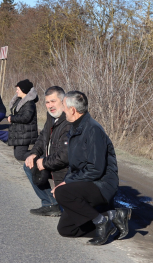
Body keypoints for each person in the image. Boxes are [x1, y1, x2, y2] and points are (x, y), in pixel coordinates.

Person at [52, 91, 131, 246]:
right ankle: (112, 217)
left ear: (73, 110)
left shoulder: (93, 130)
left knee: (62, 192)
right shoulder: (75, 129)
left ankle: (101, 222)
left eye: (64, 107)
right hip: (87, 182)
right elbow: (74, 165)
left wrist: (67, 184)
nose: (63, 111)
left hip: (102, 184)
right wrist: (66, 181)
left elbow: (95, 169)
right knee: (66, 229)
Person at [24, 86, 70, 217]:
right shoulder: (51, 117)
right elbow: (42, 138)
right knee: (29, 164)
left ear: (63, 101)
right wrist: (33, 154)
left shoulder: (69, 121)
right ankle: (50, 204)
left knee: (70, 223)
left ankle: (110, 213)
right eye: (47, 102)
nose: (50, 106)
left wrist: (44, 162)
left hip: (68, 171)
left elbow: (65, 156)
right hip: (53, 163)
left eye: (53, 101)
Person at [6, 79, 38, 159]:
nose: (16, 91)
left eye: (18, 89)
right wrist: (11, 116)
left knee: (20, 155)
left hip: (25, 132)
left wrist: (12, 118)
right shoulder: (19, 100)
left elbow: (26, 117)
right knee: (18, 155)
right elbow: (16, 113)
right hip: (19, 132)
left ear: (23, 90)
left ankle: (39, 156)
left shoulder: (29, 103)